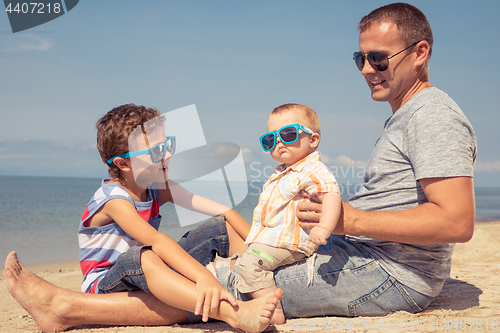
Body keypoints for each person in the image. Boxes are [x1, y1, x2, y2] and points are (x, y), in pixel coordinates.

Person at [4, 2, 476, 331]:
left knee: (209, 282)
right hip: (372, 256)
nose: (367, 69)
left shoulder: (432, 115)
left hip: (390, 274)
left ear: (420, 52)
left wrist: (351, 220)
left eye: (378, 57)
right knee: (215, 267)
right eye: (360, 58)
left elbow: (456, 221)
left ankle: (67, 308)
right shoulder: (407, 116)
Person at [24, 103, 283, 333]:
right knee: (145, 255)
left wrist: (261, 249)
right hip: (108, 282)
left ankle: (256, 280)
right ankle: (234, 314)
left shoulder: (159, 186)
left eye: (167, 145)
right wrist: (203, 277)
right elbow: (155, 241)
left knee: (222, 227)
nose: (167, 155)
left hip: (149, 268)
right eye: (156, 152)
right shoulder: (114, 199)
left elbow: (224, 212)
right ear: (123, 164)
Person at [237, 103, 341, 322]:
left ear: (313, 140)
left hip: (292, 243)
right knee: (244, 261)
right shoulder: (282, 173)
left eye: (288, 134)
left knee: (250, 264)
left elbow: (331, 195)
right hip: (276, 241)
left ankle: (272, 311)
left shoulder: (312, 170)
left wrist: (324, 227)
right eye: (270, 139)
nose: (279, 142)